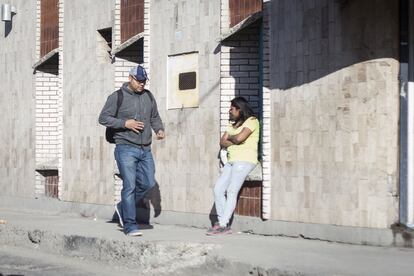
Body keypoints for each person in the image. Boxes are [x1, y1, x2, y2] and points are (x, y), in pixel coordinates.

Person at [99, 65, 165, 236]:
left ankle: (122, 207)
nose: (142, 84)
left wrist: (159, 129)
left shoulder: (148, 96)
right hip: (125, 147)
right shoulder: (117, 97)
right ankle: (130, 225)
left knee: (149, 183)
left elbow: (154, 117)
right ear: (130, 78)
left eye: (144, 81)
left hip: (145, 149)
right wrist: (125, 123)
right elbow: (103, 118)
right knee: (129, 186)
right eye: (139, 81)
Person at [207, 97, 260, 235]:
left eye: (232, 108)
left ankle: (223, 225)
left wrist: (232, 138)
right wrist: (234, 140)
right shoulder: (232, 125)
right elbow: (222, 142)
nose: (229, 111)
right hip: (231, 161)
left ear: (240, 109)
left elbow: (239, 138)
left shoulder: (252, 121)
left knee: (231, 191)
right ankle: (222, 223)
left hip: (245, 160)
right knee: (218, 189)